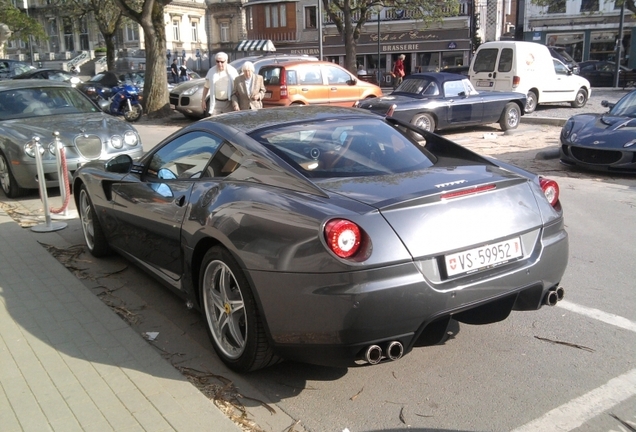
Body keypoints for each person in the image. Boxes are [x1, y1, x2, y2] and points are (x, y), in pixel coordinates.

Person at [201, 52, 239, 116]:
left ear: (226, 61)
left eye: (222, 62)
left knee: (228, 123)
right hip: (216, 102)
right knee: (215, 123)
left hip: (229, 102)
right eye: (217, 61)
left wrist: (236, 103)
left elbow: (238, 87)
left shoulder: (232, 71)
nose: (219, 64)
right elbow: (206, 87)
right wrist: (203, 100)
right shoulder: (211, 71)